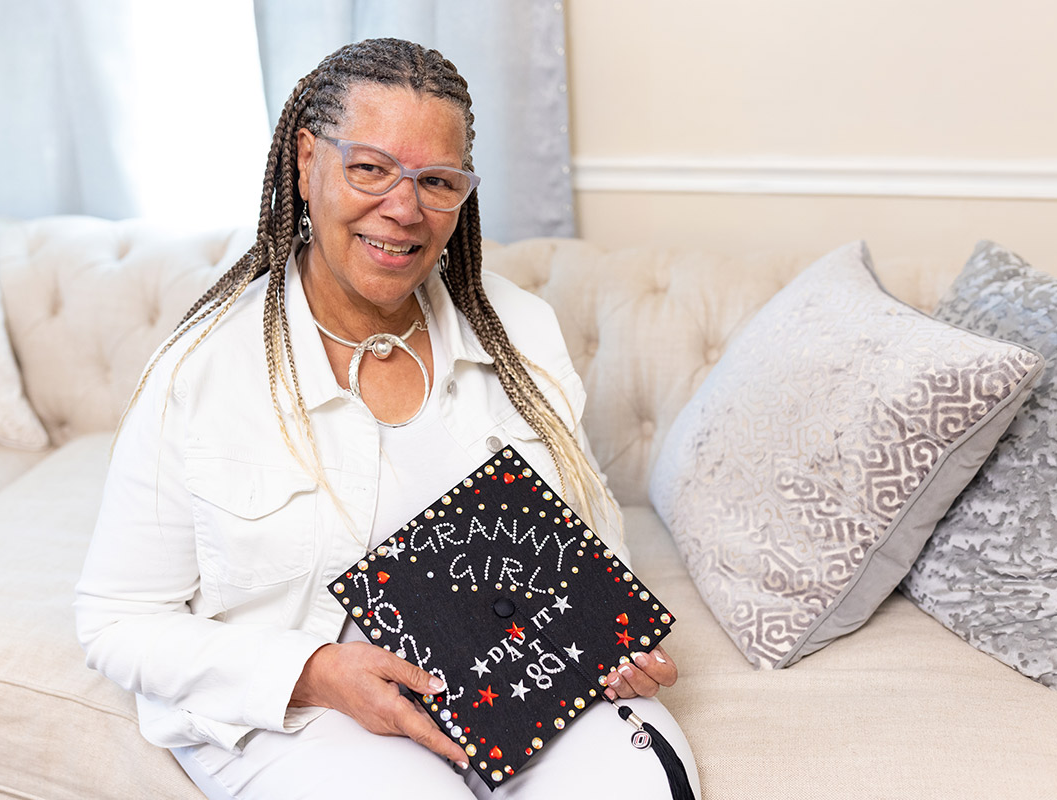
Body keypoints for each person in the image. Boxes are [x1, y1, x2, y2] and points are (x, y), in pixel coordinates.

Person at [75, 37, 700, 800]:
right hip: (303, 711)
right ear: (307, 162)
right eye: (369, 168)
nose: (403, 209)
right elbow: (116, 622)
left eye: (435, 180)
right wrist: (313, 673)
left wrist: (615, 638)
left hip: (518, 673)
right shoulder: (200, 370)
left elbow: (593, 542)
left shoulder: (524, 331)